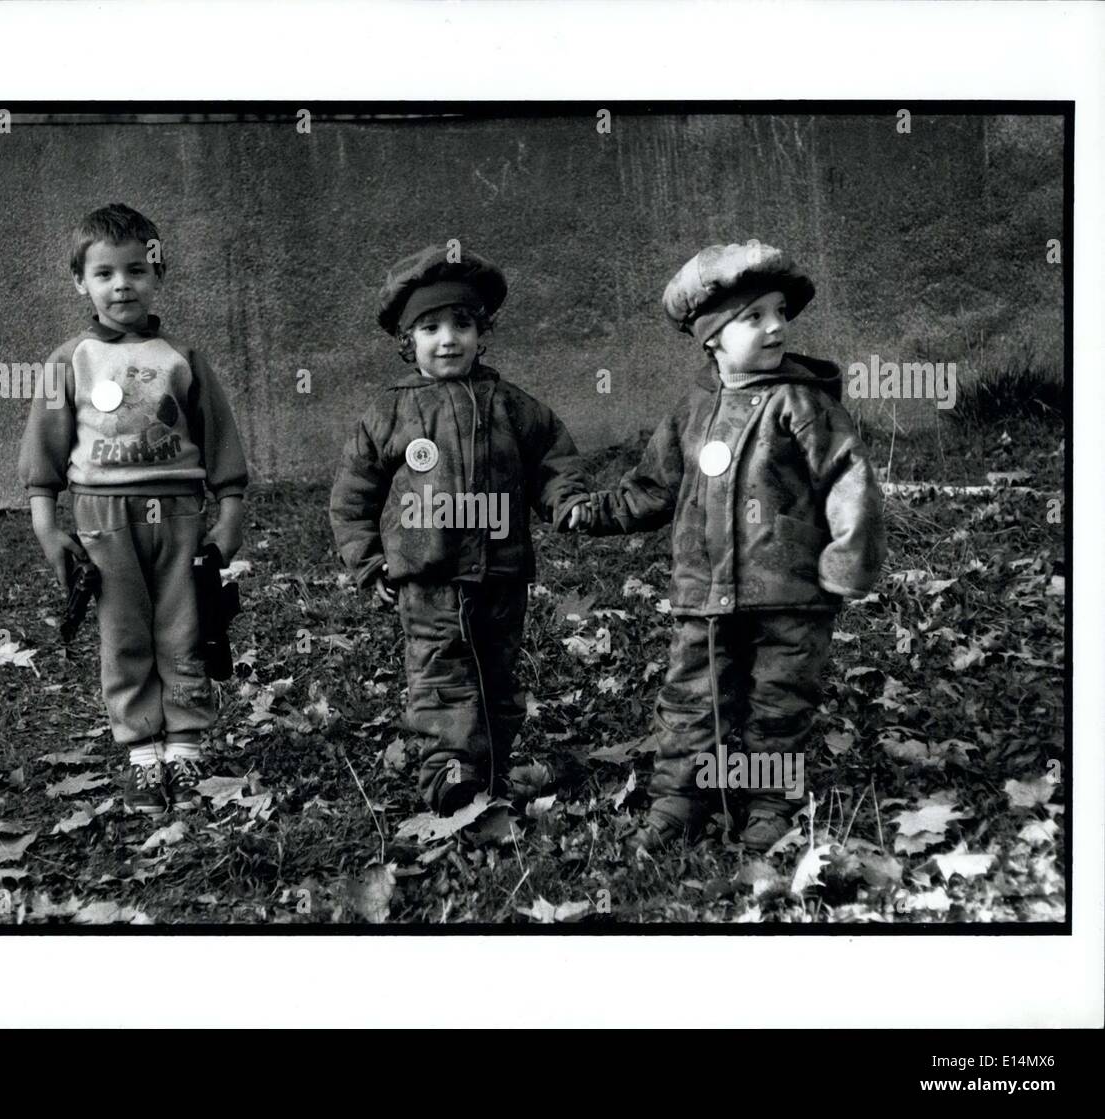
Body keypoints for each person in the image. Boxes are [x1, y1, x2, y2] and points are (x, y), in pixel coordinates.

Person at [572, 240, 886, 853]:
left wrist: (848, 557)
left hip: (790, 594)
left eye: (779, 313)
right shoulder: (692, 410)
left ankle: (770, 802)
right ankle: (679, 799)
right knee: (694, 698)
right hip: (703, 594)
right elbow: (652, 487)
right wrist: (592, 513)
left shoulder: (801, 403)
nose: (776, 327)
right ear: (710, 336)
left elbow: (851, 479)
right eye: (753, 316)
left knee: (778, 701)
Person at [330, 245, 591, 815]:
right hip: (427, 577)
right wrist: (369, 560)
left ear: (482, 333)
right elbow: (353, 496)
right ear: (408, 341)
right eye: (431, 328)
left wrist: (565, 499)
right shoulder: (387, 414)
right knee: (441, 672)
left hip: (501, 573)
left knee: (497, 671)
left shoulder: (513, 406)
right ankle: (449, 775)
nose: (448, 339)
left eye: (462, 325)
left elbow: (555, 459)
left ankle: (493, 764)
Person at [18, 203, 247, 815]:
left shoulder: (183, 358)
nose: (122, 284)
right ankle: (144, 754)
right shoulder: (68, 362)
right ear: (80, 283)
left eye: (137, 270)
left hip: (178, 513)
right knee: (122, 633)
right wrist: (48, 527)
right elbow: (44, 457)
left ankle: (188, 746)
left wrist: (229, 513)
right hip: (102, 517)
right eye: (104, 273)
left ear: (158, 275)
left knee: (185, 625)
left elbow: (221, 444)